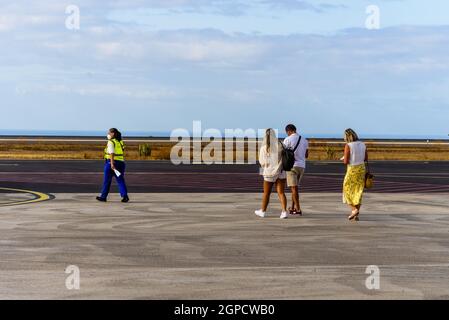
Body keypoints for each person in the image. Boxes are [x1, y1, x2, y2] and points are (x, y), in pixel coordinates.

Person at [255, 128, 289, 219]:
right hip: (281, 172)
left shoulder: (263, 148)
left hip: (269, 173)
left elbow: (262, 162)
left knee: (266, 193)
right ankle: (284, 211)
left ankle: (263, 211)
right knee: (281, 192)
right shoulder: (281, 145)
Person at [96, 128, 129, 203]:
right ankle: (125, 196)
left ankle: (103, 197)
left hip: (111, 163)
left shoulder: (111, 142)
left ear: (113, 133)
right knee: (120, 180)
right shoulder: (120, 142)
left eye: (109, 133)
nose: (108, 134)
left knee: (107, 181)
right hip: (121, 163)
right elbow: (122, 151)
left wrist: (112, 164)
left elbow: (111, 153)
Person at [342, 128, 368, 221]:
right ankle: (356, 214)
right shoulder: (363, 144)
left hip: (352, 169)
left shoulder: (348, 145)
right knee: (358, 191)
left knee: (347, 190)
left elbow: (345, 162)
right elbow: (365, 158)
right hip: (361, 169)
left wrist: (344, 158)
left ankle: (354, 209)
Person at [283, 124, 309, 215]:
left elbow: (284, 153)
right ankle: (293, 207)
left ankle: (298, 209)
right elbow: (306, 155)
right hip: (302, 166)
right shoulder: (305, 140)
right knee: (295, 188)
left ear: (288, 131)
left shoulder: (287, 140)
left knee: (294, 188)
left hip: (292, 166)